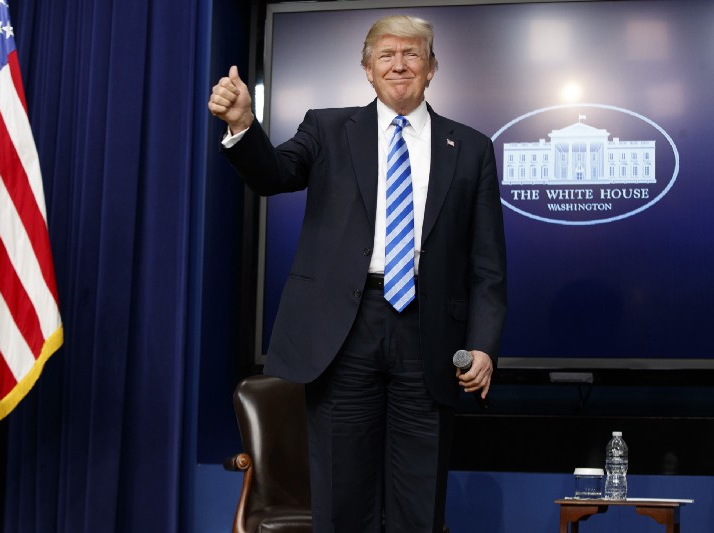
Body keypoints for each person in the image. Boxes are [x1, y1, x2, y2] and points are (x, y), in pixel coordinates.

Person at [209, 15, 506, 533]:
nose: (399, 64)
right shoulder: (325, 128)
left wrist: (483, 343)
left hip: (429, 334)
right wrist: (242, 126)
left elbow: (487, 264)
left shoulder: (473, 147)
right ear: (367, 69)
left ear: (432, 68)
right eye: (386, 55)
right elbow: (273, 175)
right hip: (341, 331)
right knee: (343, 497)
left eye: (412, 53)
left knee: (420, 501)